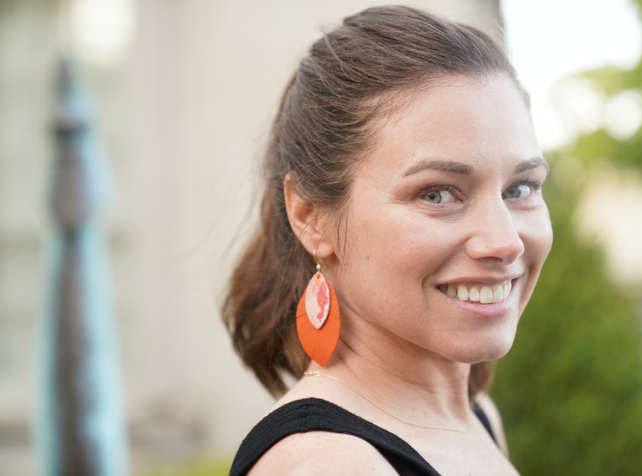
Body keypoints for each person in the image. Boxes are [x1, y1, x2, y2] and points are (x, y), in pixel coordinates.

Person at [222, 5, 552, 475]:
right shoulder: (327, 464)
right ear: (310, 215)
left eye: (520, 188)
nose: (505, 243)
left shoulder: (476, 416)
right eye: (437, 193)